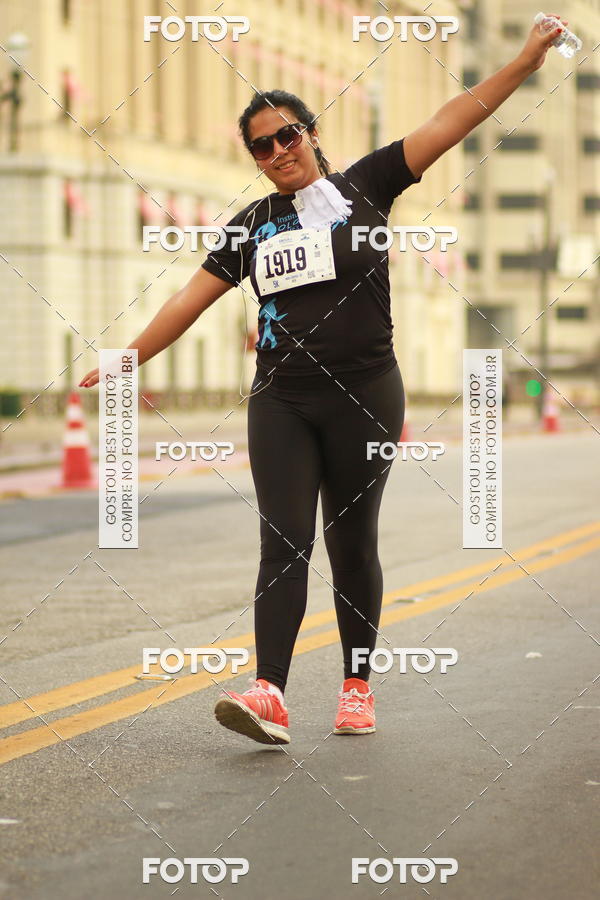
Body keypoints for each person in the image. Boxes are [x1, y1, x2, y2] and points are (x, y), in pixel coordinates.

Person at [79, 16, 567, 744]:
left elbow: (452, 118)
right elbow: (189, 298)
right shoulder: (251, 227)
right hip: (281, 400)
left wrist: (526, 61)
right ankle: (269, 692)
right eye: (262, 145)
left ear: (310, 133)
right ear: (254, 157)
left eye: (288, 135)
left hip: (366, 395)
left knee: (351, 542)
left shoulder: (366, 185)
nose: (278, 150)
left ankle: (356, 686)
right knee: (283, 540)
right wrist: (128, 358)